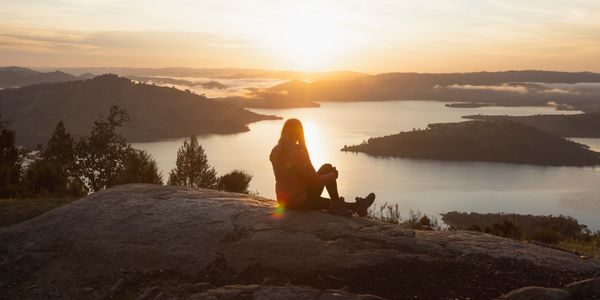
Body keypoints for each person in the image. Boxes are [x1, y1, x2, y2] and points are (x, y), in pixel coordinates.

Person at [269, 118, 375, 216]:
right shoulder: (298, 154)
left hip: (285, 201)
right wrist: (333, 175)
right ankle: (348, 205)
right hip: (300, 202)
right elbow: (316, 182)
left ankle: (353, 206)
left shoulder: (275, 151)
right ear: (298, 134)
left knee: (329, 202)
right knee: (328, 168)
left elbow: (293, 178)